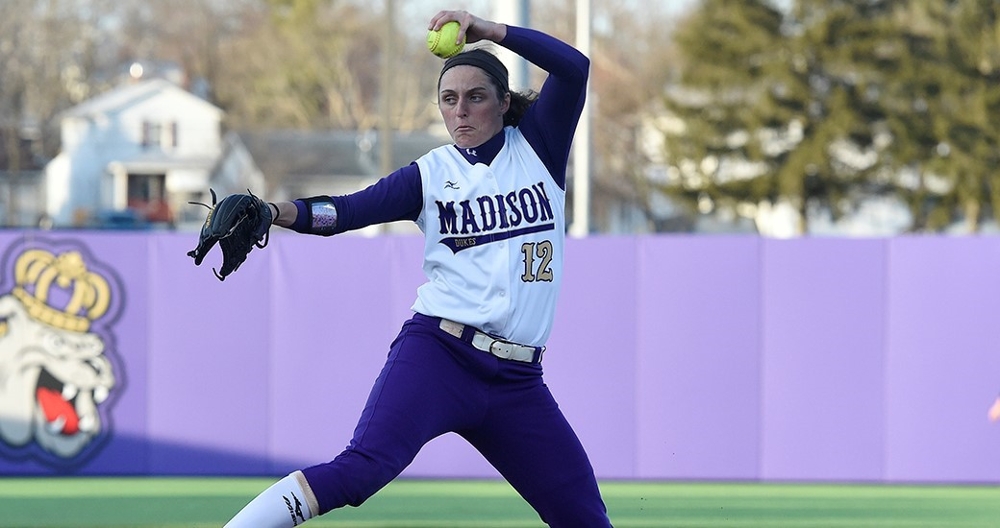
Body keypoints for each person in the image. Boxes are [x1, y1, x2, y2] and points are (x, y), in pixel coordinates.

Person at [222, 9, 612, 528]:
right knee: (359, 472)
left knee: (583, 517)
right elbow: (347, 211)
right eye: (449, 100)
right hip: (441, 355)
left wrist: (491, 31)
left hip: (519, 380)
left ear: (502, 101)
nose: (461, 111)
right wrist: (274, 212)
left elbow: (574, 68)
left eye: (476, 96)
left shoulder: (538, 148)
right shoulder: (430, 175)